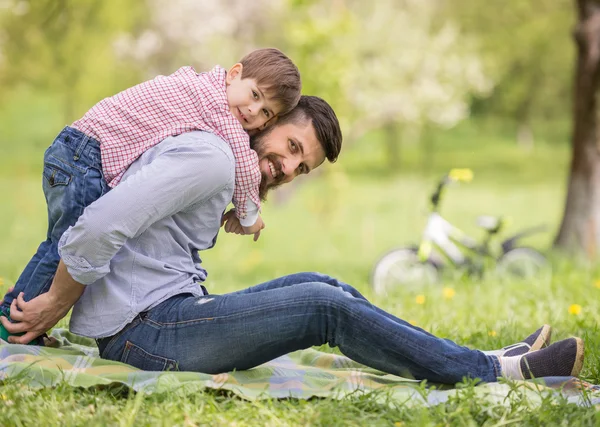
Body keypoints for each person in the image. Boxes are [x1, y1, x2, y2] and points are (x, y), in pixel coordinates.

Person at [1, 96, 585, 384]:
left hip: (166, 313)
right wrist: (56, 300)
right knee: (324, 306)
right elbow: (97, 224)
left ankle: (480, 357)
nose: (286, 168)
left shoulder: (218, 158)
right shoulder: (210, 159)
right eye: (293, 149)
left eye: (301, 168)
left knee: (321, 284)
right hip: (143, 333)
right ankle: (492, 372)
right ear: (268, 119)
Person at [0, 48, 302, 343]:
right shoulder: (216, 104)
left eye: (265, 112)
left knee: (56, 244)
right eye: (254, 95)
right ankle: (14, 328)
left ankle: (16, 323)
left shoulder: (200, 86)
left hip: (74, 150)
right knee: (65, 248)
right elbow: (246, 163)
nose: (252, 112)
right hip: (85, 157)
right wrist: (249, 216)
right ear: (234, 74)